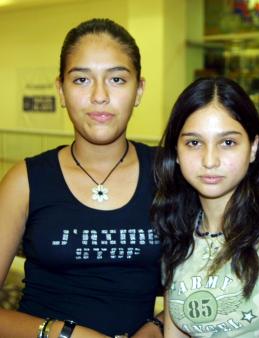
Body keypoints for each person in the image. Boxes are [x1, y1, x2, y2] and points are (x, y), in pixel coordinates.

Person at [0, 18, 163, 338]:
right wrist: (62, 333)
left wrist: (157, 327)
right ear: (60, 90)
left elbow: (205, 282)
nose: (99, 96)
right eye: (81, 80)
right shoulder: (25, 180)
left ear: (139, 90)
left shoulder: (168, 174)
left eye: (117, 79)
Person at [151, 76, 259, 337]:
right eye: (194, 143)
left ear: (252, 148)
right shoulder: (178, 229)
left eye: (227, 142)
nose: (210, 160)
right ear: (176, 153)